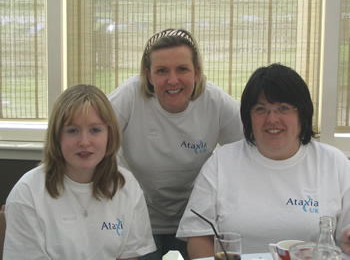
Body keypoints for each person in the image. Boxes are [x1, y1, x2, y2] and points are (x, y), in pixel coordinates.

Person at [176, 63, 350, 257]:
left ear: (302, 113)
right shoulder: (222, 162)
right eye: (261, 109)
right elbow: (198, 236)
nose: (272, 119)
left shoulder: (334, 163)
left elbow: (346, 236)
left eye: (283, 108)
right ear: (248, 117)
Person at [108, 28, 244, 259]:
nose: (173, 80)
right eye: (162, 71)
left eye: (182, 69)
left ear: (196, 73)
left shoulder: (215, 101)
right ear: (149, 75)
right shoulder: (130, 96)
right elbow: (93, 139)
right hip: (137, 217)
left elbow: (252, 146)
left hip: (195, 221)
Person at [3, 84, 156, 260]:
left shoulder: (126, 185)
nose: (84, 142)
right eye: (72, 131)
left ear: (110, 134)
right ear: (56, 136)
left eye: (95, 130)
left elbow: (129, 256)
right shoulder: (27, 193)